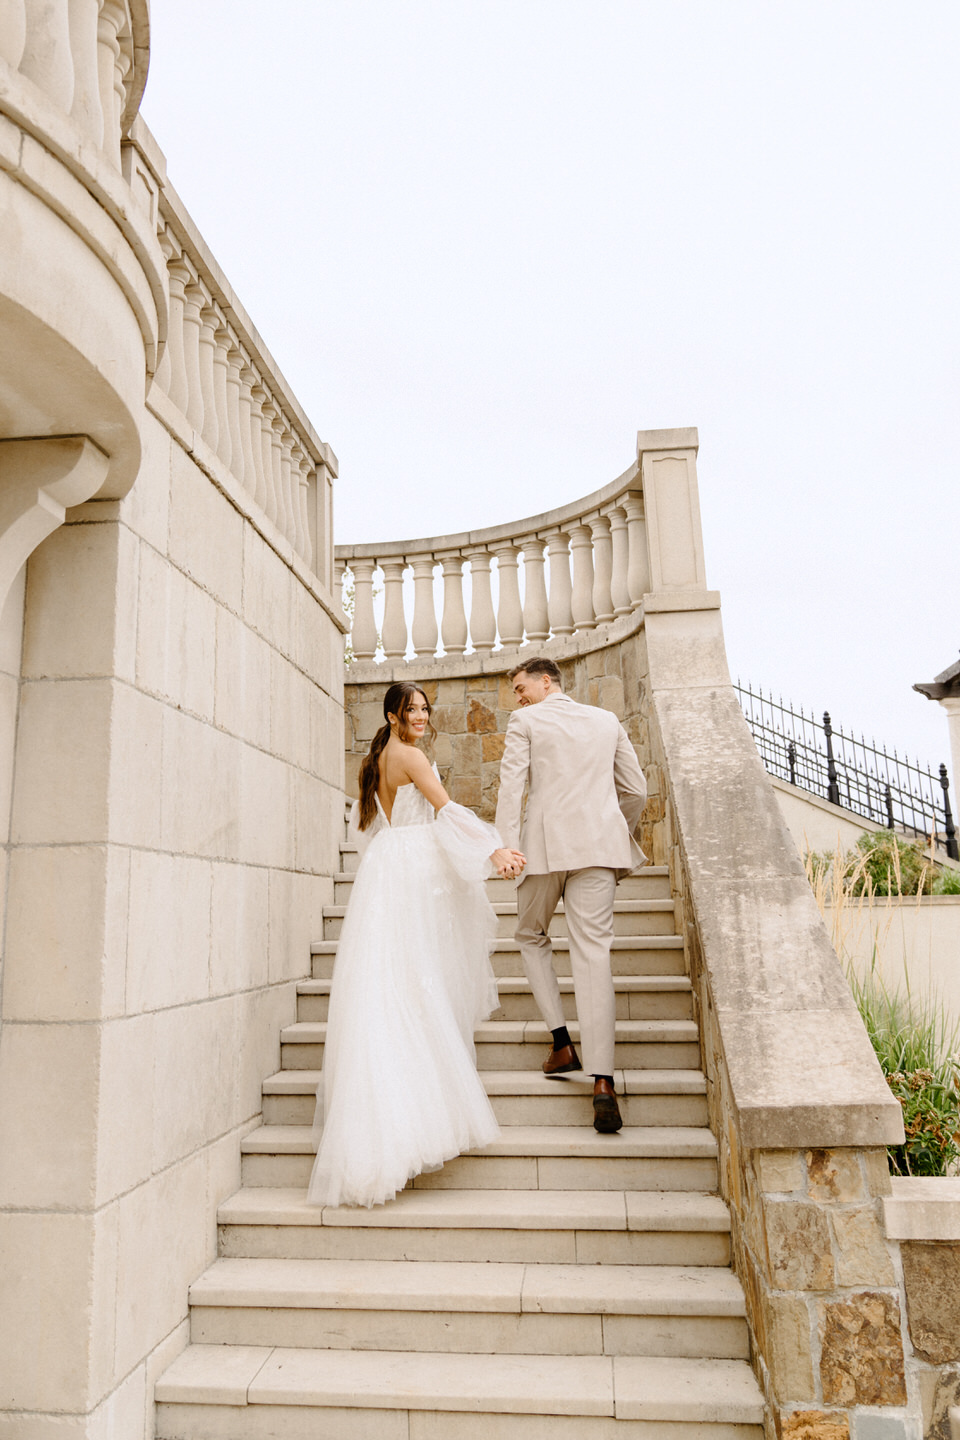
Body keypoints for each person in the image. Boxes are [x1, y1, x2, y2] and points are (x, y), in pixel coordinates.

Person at [308, 681, 526, 1208]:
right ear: (392, 715)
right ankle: (403, 1128)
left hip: (387, 867)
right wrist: (495, 851)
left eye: (426, 709)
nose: (423, 716)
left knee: (393, 983)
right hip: (409, 870)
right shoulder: (408, 755)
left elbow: (377, 827)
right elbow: (448, 811)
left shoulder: (380, 754)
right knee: (412, 983)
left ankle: (379, 1128)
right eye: (413, 709)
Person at [495, 657, 647, 1133]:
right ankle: (603, 1083)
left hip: (542, 850)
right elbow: (637, 792)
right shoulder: (606, 721)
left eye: (521, 687)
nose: (517, 697)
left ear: (546, 682)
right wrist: (613, 831)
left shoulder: (526, 721)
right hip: (600, 849)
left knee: (529, 934)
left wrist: (505, 846)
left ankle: (562, 1042)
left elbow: (511, 787)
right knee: (594, 955)